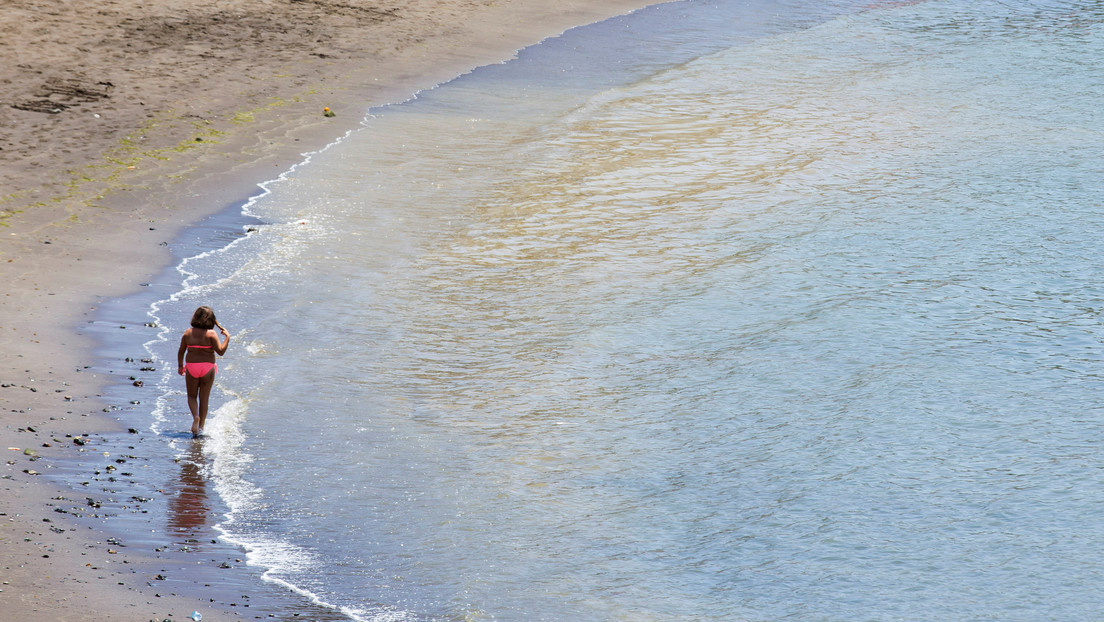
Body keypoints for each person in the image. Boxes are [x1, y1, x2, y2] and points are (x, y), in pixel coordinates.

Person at [177, 306, 230, 438]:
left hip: (192, 367)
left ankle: (196, 416)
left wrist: (180, 366)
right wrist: (227, 337)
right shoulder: (211, 334)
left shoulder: (188, 333)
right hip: (207, 368)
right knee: (204, 398)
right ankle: (201, 428)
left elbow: (181, 351)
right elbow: (221, 352)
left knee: (191, 396)